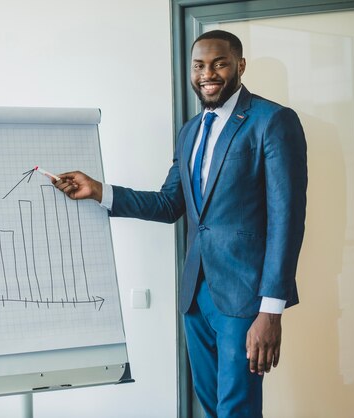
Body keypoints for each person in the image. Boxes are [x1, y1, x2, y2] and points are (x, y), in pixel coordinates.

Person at [53, 30, 307, 418]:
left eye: (219, 63)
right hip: (195, 296)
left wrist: (270, 311)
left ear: (239, 65)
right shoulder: (190, 131)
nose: (208, 73)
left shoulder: (272, 121)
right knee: (209, 405)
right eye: (199, 65)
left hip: (245, 297)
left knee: (236, 409)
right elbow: (170, 203)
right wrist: (100, 191)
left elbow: (287, 219)